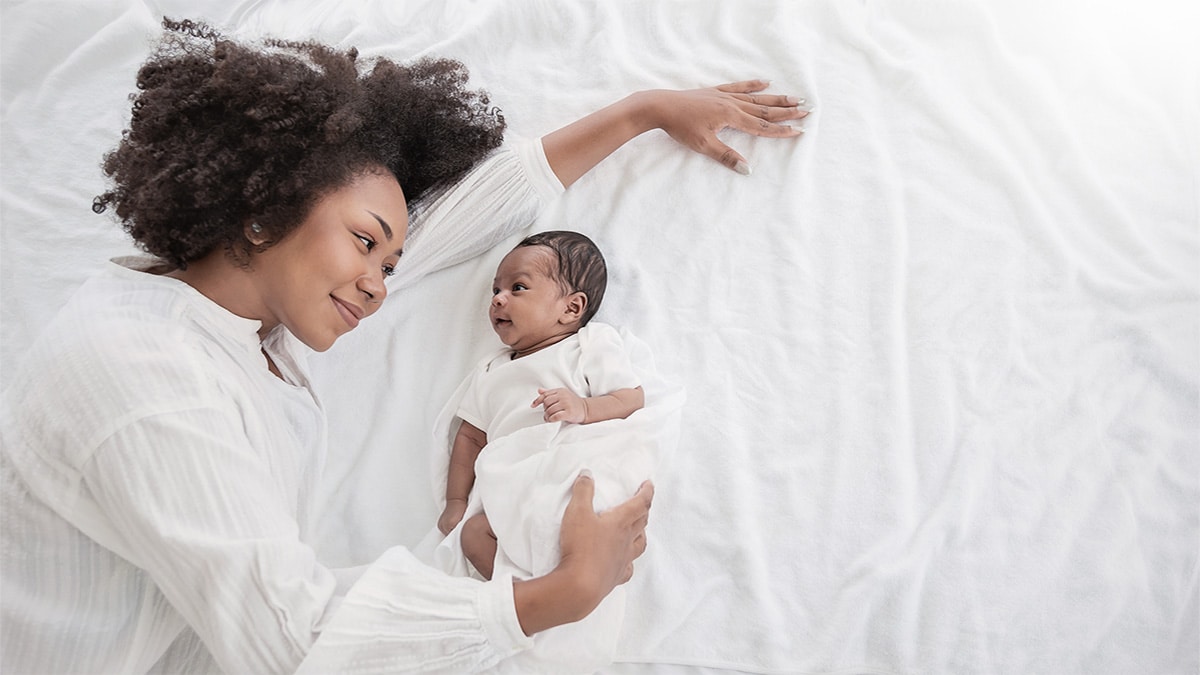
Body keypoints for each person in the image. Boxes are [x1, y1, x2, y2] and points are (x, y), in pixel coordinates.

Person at [0, 18, 808, 675]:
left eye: (387, 262)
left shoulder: (245, 309)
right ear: (261, 210)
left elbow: (454, 223)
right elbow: (295, 641)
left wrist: (643, 112)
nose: (382, 283)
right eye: (364, 244)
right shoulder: (145, 374)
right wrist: (563, 593)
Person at [438, 230, 645, 580]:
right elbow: (471, 439)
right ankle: (529, 599)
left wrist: (584, 408)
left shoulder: (589, 345)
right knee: (472, 535)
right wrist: (456, 502)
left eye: (517, 287)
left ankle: (598, 565)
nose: (499, 299)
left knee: (601, 509)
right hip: (516, 491)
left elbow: (631, 399)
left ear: (572, 308)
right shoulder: (492, 369)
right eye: (495, 290)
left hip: (570, 481)